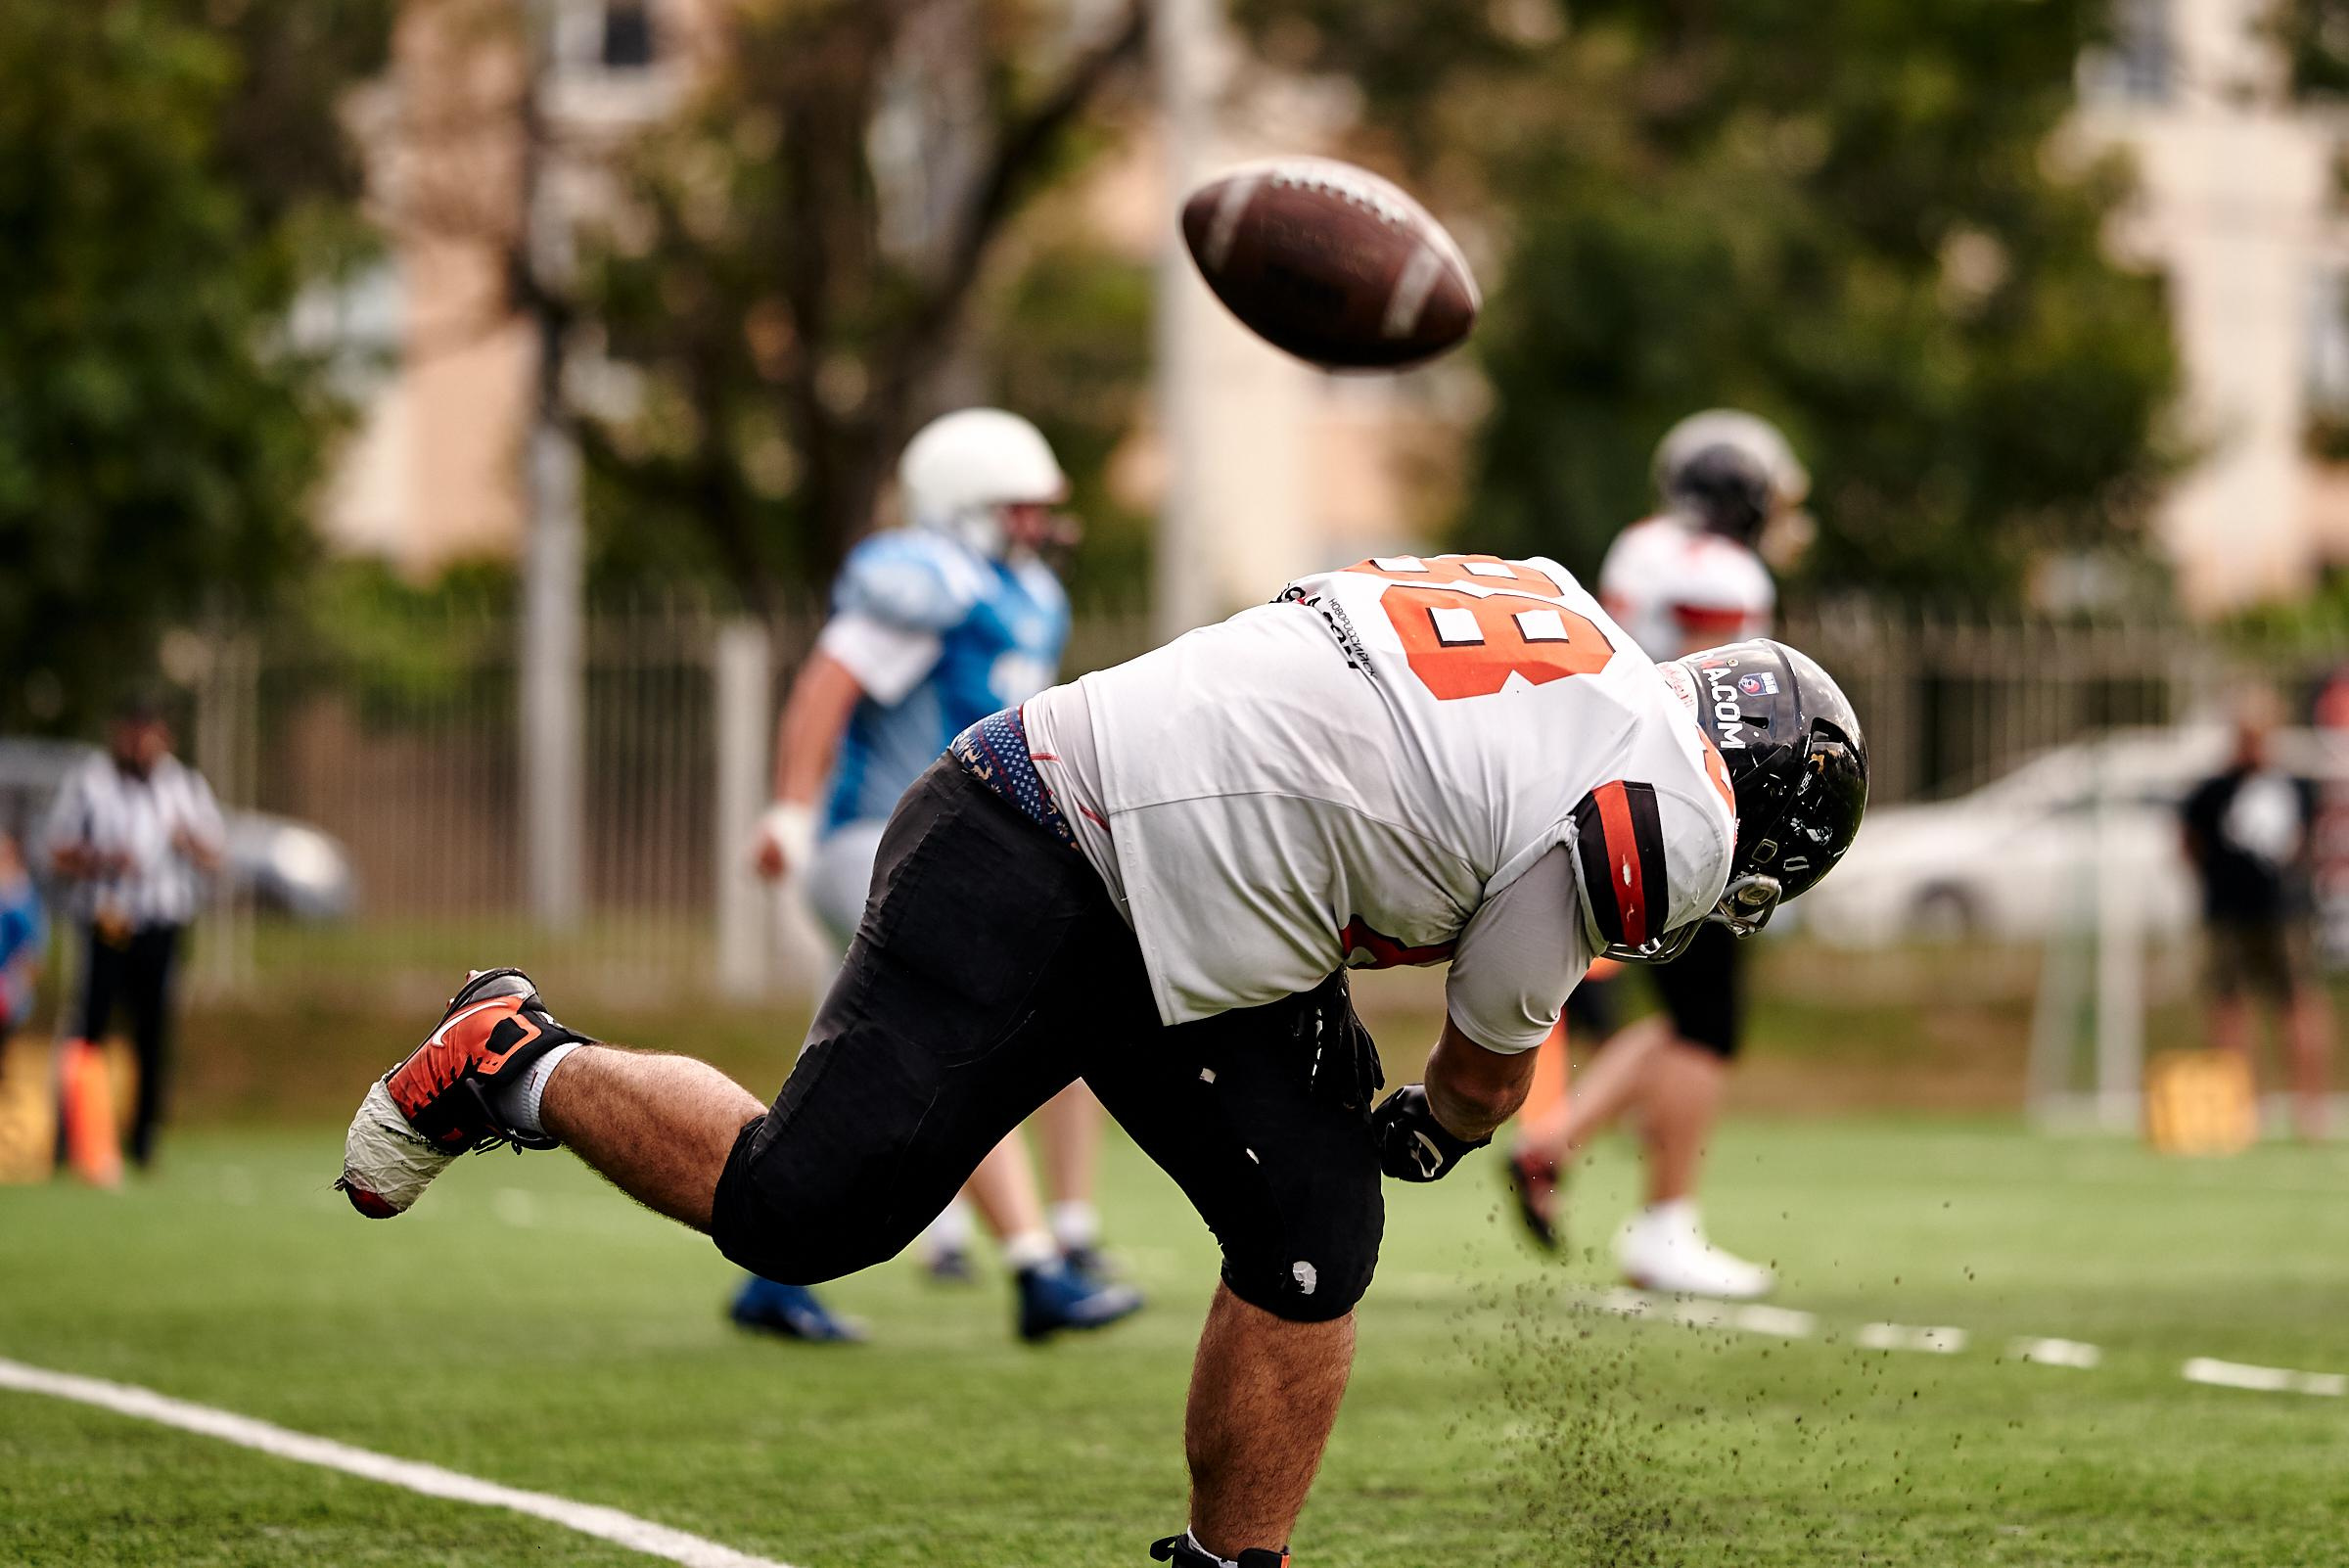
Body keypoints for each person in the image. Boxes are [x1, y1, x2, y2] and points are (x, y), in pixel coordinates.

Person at [336, 551, 1865, 1564]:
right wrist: (1448, 1123)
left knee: (1312, 1239)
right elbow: (1501, 1016)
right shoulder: (1683, 808)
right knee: (806, 1214)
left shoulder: (1559, 607)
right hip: (1047, 851)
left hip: (1206, 906)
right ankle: (510, 1055)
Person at [736, 406, 1139, 1343]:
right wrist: (792, 812)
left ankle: (771, 1271)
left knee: (855, 1064)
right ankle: (1037, 1268)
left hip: (953, 849)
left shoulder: (1023, 593)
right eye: (1020, 508)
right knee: (970, 1030)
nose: (1039, 526)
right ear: (966, 508)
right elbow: (826, 685)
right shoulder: (924, 581)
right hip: (875, 841)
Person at [1507, 409, 1810, 1300]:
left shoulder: (1641, 546)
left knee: (1686, 1017)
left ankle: (1550, 1144)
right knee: (1706, 1026)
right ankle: (1665, 1224)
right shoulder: (1721, 571)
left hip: (1615, 790)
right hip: (1687, 799)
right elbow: (1732, 690)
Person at [40, 693, 225, 1169]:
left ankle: (143, 1139)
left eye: (149, 732)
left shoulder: (183, 786)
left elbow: (215, 854)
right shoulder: (90, 783)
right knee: (90, 1027)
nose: (140, 742)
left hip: (161, 924)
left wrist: (188, 842)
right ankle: (73, 1138)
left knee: (153, 1032)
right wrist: (101, 859)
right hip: (106, 922)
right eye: (132, 732)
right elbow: (55, 850)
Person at [2182, 686, 2333, 1139]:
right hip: (2228, 913)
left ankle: (2311, 1109)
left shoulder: (2294, 787)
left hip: (2283, 915)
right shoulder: (2212, 790)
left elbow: (2308, 844)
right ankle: (2239, 1107)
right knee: (2230, 1007)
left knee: (2297, 1003)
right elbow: (2188, 843)